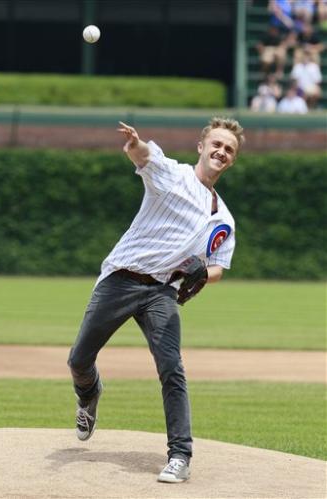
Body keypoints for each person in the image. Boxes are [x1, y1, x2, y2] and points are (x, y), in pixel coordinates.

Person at [67, 117, 245, 483]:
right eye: (216, 144)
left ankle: (180, 454)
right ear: (201, 146)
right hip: (121, 279)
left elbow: (216, 268)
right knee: (79, 359)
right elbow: (145, 156)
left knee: (172, 369)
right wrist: (134, 143)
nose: (221, 152)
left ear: (233, 159)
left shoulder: (222, 219)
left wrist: (200, 273)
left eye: (229, 149)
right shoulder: (173, 175)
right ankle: (89, 393)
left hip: (161, 291)